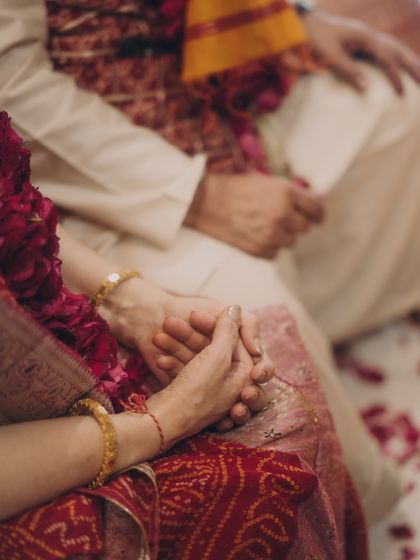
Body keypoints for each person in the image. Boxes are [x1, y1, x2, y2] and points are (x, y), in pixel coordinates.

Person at [1, 0, 418, 522]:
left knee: (399, 110)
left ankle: (351, 313)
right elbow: (12, 84)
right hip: (90, 177)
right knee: (252, 327)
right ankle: (358, 509)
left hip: (213, 87)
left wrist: (299, 19)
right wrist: (193, 195)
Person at [0, 110, 369, 559]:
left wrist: (141, 308)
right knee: (254, 475)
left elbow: (16, 215)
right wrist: (165, 419)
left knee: (261, 370)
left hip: (54, 343)